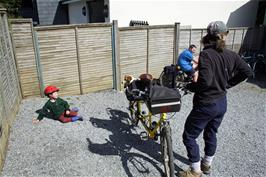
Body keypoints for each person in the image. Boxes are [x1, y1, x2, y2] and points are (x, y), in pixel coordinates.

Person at [178, 21, 253, 177]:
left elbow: (205, 82)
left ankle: (194, 170)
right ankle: (206, 165)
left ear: (207, 36)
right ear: (225, 35)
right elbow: (248, 72)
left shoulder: (206, 54)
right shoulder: (232, 54)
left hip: (206, 104)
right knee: (211, 133)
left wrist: (191, 88)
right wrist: (227, 84)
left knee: (189, 136)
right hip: (221, 103)